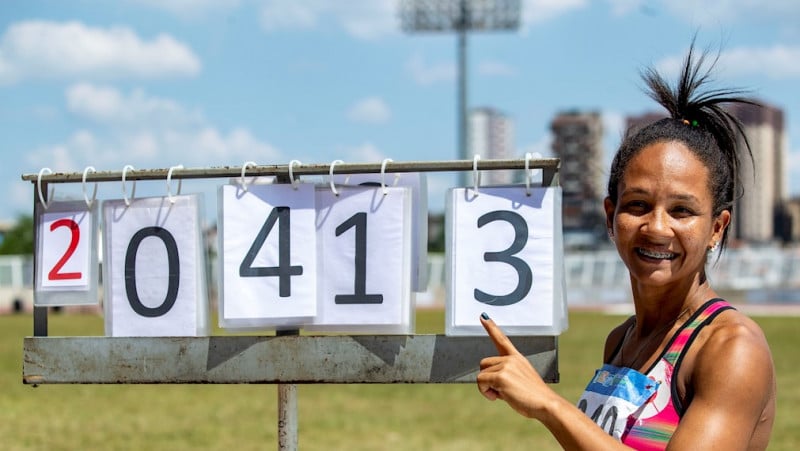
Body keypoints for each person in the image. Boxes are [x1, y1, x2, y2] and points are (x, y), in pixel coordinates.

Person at [476, 42, 776, 450]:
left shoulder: (730, 347)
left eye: (682, 211)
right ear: (609, 216)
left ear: (717, 228)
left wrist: (547, 404)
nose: (657, 227)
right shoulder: (621, 339)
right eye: (637, 205)